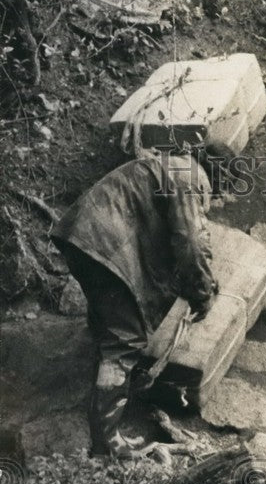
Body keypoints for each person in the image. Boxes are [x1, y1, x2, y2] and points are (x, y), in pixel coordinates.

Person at [51, 142, 235, 458]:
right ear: (222, 179)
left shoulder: (169, 165)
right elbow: (190, 243)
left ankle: (103, 413)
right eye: (220, 195)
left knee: (109, 322)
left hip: (81, 235)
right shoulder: (191, 178)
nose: (215, 202)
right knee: (125, 342)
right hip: (104, 243)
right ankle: (107, 445)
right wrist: (202, 294)